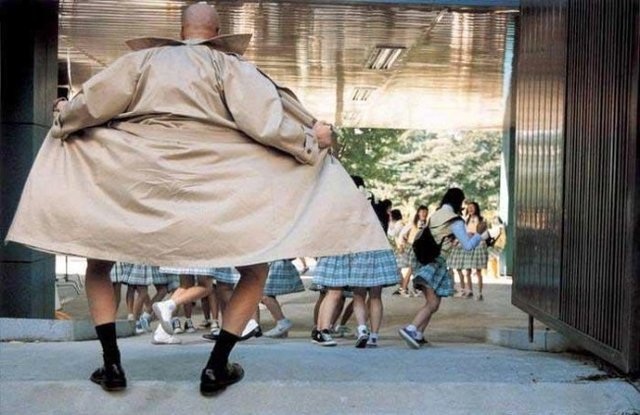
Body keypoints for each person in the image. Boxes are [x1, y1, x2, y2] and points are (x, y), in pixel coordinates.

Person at [6, 3, 390, 395]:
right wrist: (312, 142)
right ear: (218, 34)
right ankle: (216, 366)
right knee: (254, 272)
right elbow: (267, 124)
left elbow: (90, 106)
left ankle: (112, 364)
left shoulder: (141, 62)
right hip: (214, 188)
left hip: (138, 182)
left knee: (98, 261)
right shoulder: (233, 68)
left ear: (181, 31)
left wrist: (63, 116)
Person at [398, 188, 490, 349]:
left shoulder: (436, 214)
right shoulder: (455, 220)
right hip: (435, 264)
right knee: (433, 303)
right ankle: (411, 329)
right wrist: (479, 234)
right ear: (459, 202)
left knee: (434, 301)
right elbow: (468, 246)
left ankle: (419, 334)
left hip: (423, 261)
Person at [447, 201, 489, 300]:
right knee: (468, 270)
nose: (470, 209)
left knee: (478, 271)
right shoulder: (466, 220)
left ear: (476, 208)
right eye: (469, 207)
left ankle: (480, 293)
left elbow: (484, 233)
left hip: (478, 245)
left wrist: (474, 234)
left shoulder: (481, 219)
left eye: (472, 207)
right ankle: (469, 291)